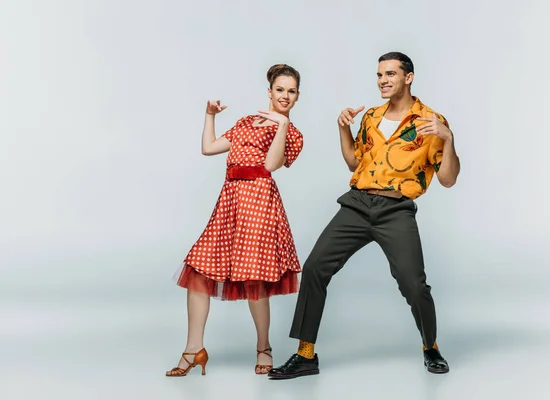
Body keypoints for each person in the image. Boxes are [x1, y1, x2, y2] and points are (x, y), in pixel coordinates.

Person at [268, 52, 461, 379]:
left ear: (408, 77)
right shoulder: (371, 116)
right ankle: (305, 354)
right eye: (379, 75)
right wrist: (343, 128)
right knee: (315, 267)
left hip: (395, 210)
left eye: (390, 74)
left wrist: (448, 138)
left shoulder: (431, 121)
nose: (383, 80)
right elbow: (355, 164)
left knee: (414, 285)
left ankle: (431, 347)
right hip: (357, 204)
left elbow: (447, 178)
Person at [166, 64, 304, 377]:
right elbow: (208, 148)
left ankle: (263, 348)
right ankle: (193, 349)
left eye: (291, 91)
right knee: (200, 269)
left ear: (297, 97)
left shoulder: (293, 135)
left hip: (259, 204)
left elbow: (270, 164)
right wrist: (210, 115)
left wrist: (281, 124)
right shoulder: (244, 123)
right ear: (269, 92)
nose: (285, 95)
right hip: (229, 204)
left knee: (254, 277)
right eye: (280, 89)